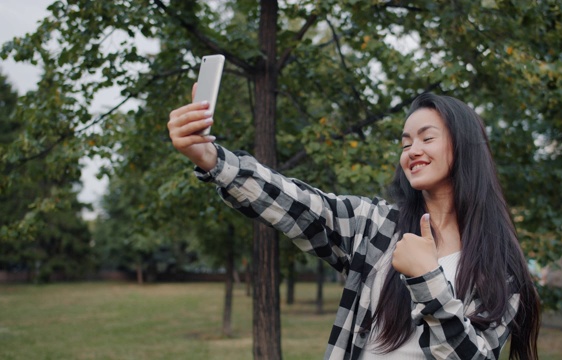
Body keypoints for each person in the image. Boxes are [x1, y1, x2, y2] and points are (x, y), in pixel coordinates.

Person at [167, 89, 540, 359]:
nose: (412, 151)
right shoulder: (377, 226)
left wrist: (428, 281)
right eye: (406, 141)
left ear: (465, 147)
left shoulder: (501, 266)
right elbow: (300, 204)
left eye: (428, 138)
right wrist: (213, 160)